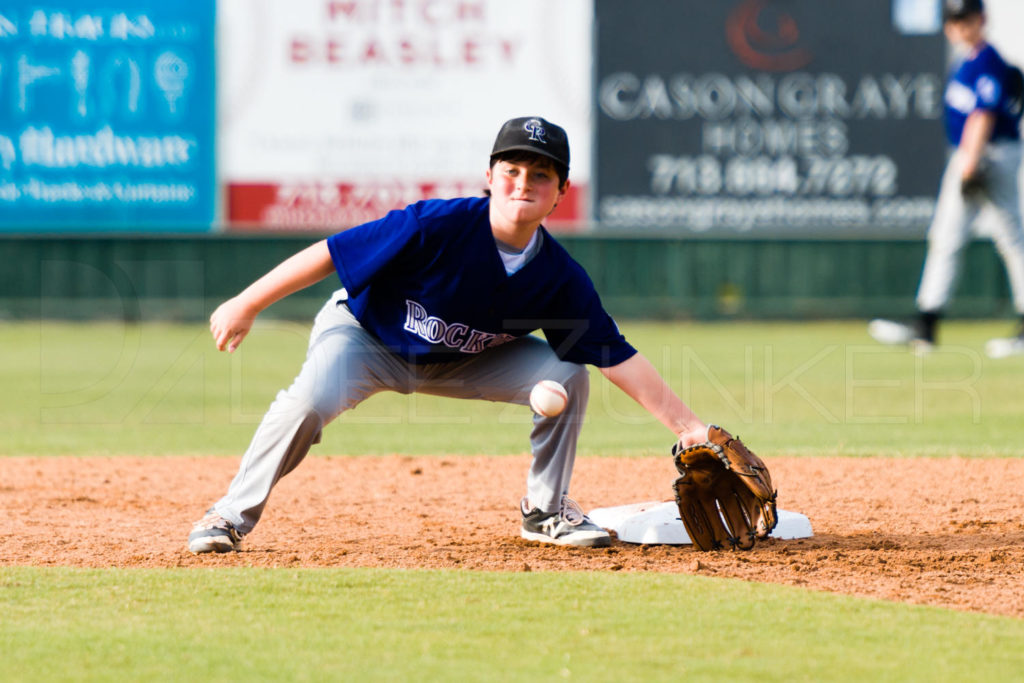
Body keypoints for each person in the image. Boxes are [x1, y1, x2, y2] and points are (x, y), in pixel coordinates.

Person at [188, 116, 712, 553]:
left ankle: (545, 511)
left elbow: (615, 355)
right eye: (512, 170)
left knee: (568, 371)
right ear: (490, 175)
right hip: (366, 338)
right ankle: (229, 515)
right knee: (308, 402)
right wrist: (247, 301)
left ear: (560, 193)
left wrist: (689, 427)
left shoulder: (559, 277)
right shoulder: (433, 225)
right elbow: (331, 253)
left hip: (463, 363)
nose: (523, 183)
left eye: (540, 175)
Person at [868, 0, 1024, 358]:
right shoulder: (967, 61)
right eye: (953, 21)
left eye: (965, 19)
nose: (959, 27)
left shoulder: (987, 61)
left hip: (989, 154)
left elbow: (982, 115)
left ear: (981, 19)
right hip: (974, 154)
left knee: (1011, 236)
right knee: (947, 237)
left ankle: (929, 322)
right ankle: (926, 323)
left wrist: (970, 162)